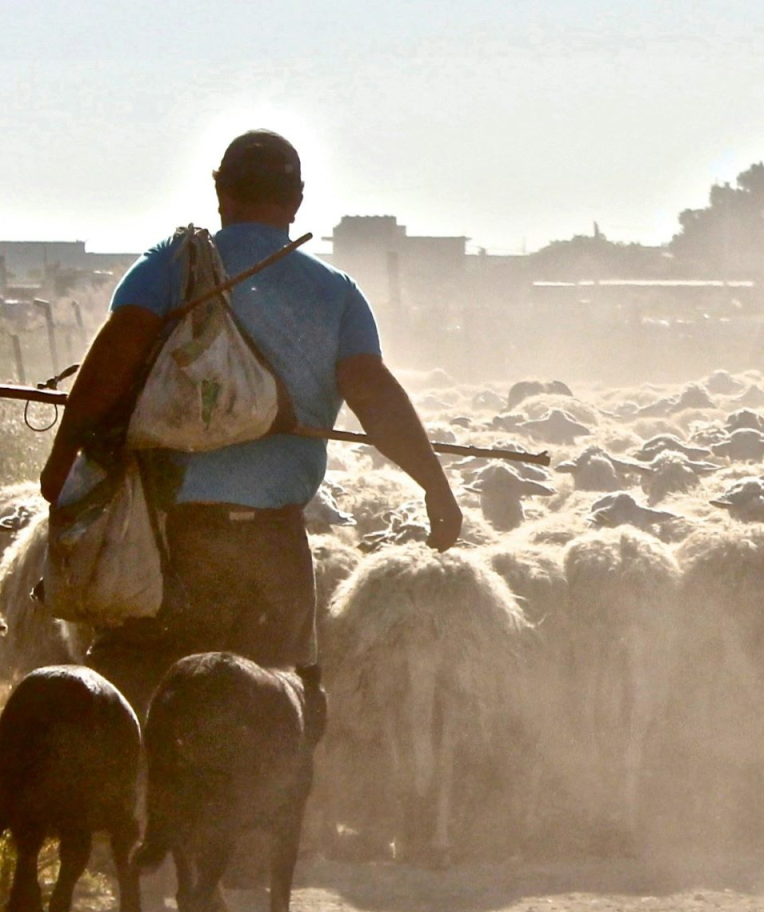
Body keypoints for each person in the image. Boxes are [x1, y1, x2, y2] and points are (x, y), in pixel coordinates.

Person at [39, 130, 463, 712]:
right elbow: (372, 391)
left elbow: (118, 350)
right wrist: (434, 486)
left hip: (170, 547)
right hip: (271, 553)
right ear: (296, 201)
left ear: (221, 192)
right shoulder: (335, 293)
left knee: (132, 709)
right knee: (279, 717)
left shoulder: (173, 266)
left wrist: (60, 465)